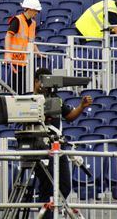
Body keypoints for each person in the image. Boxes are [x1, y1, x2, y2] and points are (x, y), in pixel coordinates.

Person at [33, 68, 92, 219]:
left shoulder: (56, 98)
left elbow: (69, 116)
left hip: (58, 147)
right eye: (44, 80)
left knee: (64, 186)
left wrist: (81, 106)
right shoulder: (31, 100)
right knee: (47, 188)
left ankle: (54, 214)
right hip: (42, 148)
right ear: (36, 82)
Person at [4, 0, 43, 94]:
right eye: (35, 10)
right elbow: (8, 36)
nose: (36, 13)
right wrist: (7, 54)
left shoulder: (33, 23)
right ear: (29, 9)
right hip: (15, 61)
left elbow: (31, 41)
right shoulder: (17, 20)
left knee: (27, 88)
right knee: (16, 89)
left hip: (27, 61)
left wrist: (38, 52)